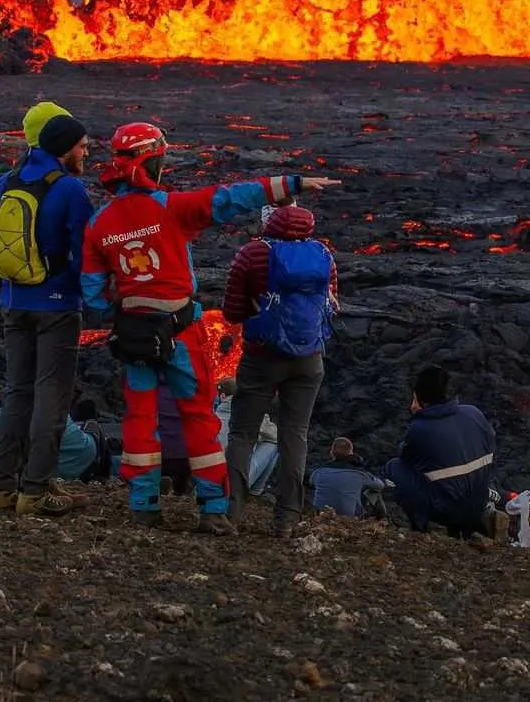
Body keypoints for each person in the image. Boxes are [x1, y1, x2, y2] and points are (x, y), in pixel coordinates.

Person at [81, 120, 339, 535]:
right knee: (200, 417)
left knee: (139, 420)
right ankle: (213, 510)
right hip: (181, 333)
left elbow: (92, 294)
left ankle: (143, 505)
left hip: (133, 336)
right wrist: (292, 183)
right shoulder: (170, 207)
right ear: (156, 159)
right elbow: (232, 199)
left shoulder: (98, 224)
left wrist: (131, 297)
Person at [0, 112, 94, 517]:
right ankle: (35, 491)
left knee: (17, 393)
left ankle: (1, 488)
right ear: (64, 148)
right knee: (51, 399)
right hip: (57, 307)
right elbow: (87, 256)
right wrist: (92, 298)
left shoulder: (5, 183)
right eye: (82, 146)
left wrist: (11, 286)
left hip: (15, 303)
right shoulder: (70, 191)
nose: (86, 152)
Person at [223, 203, 338, 537]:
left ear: (269, 222)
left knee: (242, 432)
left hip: (262, 356)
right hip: (309, 358)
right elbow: (331, 305)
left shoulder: (252, 254)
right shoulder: (324, 255)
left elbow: (232, 311)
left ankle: (232, 511)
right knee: (295, 434)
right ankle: (287, 518)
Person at [384, 366, 495, 537]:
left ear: (418, 398)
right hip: (479, 501)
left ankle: (421, 527)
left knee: (394, 467)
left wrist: (418, 416)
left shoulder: (420, 428)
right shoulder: (473, 412)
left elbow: (406, 457)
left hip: (448, 510)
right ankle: (476, 520)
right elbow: (490, 441)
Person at [215, 379, 279, 496]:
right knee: (273, 444)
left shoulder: (211, 416)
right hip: (233, 483)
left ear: (222, 396)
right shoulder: (253, 417)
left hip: (208, 480)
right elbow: (277, 436)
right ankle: (256, 490)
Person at [311, 437, 388, 519]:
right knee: (374, 492)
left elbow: (311, 482)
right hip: (348, 517)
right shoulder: (359, 473)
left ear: (331, 453)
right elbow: (379, 485)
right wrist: (385, 482)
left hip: (320, 515)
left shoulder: (319, 471)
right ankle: (379, 521)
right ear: (351, 453)